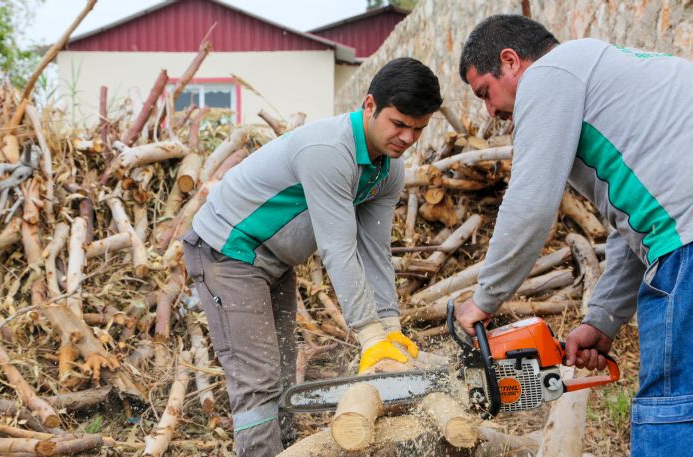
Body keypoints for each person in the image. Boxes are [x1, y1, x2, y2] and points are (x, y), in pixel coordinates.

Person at [453, 14, 693, 456]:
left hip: (688, 245)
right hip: (682, 234)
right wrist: (601, 320)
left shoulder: (549, 74)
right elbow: (631, 226)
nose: (491, 112)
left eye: (485, 93)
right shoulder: (603, 80)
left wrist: (484, 301)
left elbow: (531, 203)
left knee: (672, 406)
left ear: (511, 61)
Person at [182, 57, 442, 457]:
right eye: (399, 123)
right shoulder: (329, 150)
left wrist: (390, 328)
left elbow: (374, 250)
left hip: (273, 260)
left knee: (284, 376)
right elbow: (338, 248)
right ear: (369, 105)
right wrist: (368, 336)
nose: (407, 138)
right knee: (258, 381)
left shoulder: (388, 170)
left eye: (418, 129)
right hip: (227, 252)